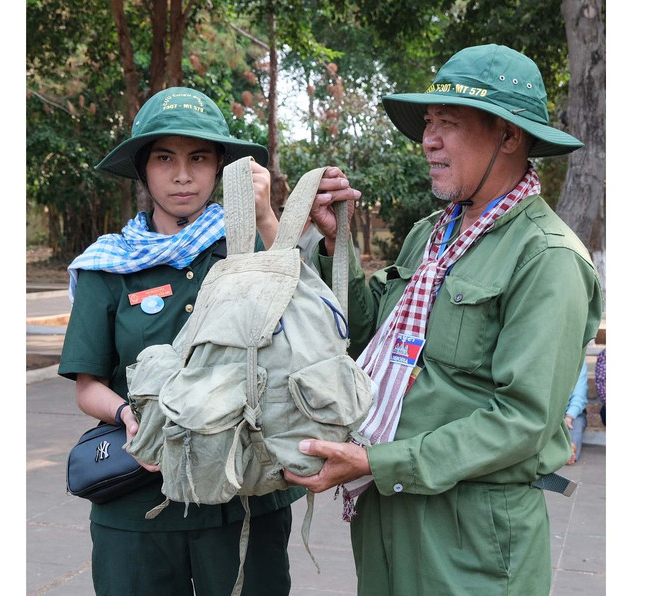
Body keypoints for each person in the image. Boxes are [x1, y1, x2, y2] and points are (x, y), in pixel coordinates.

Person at [284, 44, 604, 595]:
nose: (428, 139)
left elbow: (521, 421)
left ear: (509, 136)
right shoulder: (431, 235)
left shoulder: (546, 258)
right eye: (428, 123)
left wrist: (380, 461)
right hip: (387, 512)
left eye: (448, 124)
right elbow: (370, 338)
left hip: (471, 536)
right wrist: (338, 247)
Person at [58, 86, 356, 596]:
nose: (181, 175)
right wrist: (131, 416)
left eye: (198, 158)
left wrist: (265, 214)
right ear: (142, 170)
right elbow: (88, 387)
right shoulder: (108, 264)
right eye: (164, 159)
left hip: (244, 496)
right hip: (139, 505)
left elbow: (318, 323)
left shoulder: (248, 250)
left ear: (220, 167)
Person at [565, 360, 589, 464]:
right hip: (551, 413)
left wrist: (569, 417)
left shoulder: (579, 361)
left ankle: (570, 451)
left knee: (577, 425)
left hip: (573, 414)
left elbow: (579, 394)